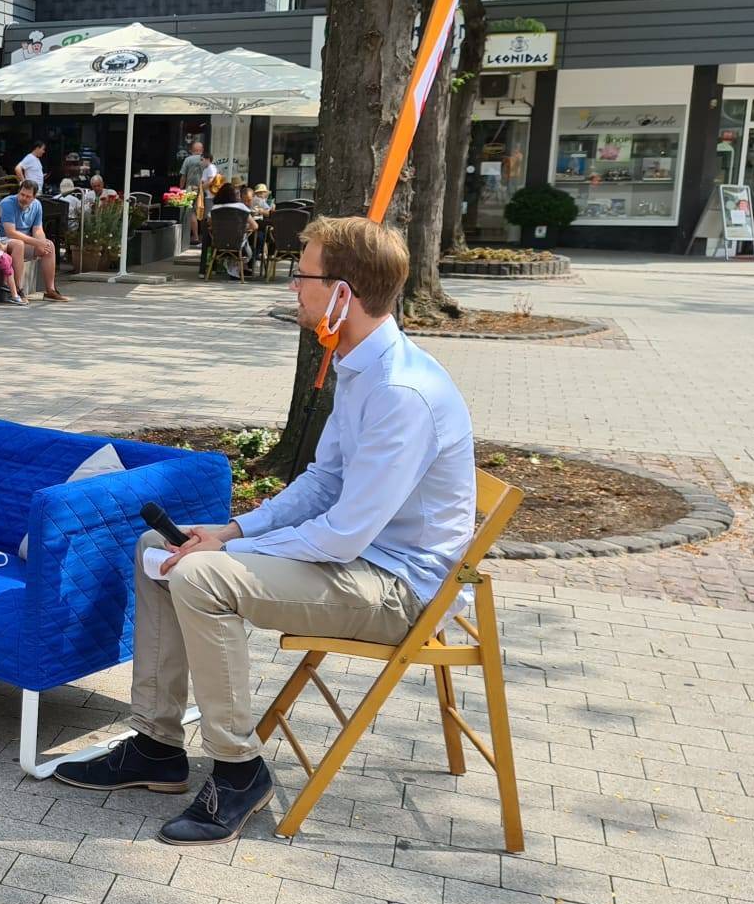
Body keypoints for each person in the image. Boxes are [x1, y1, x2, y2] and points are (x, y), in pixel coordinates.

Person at [56, 218, 475, 845]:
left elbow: (342, 535)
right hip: (360, 562)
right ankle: (157, 745)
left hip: (400, 589)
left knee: (197, 576)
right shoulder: (362, 368)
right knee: (159, 547)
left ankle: (238, 768)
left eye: (301, 274)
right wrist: (229, 530)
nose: (291, 288)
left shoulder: (400, 393)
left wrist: (230, 550)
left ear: (342, 293)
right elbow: (320, 483)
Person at [0, 180, 70, 301]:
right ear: (18, 192)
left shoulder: (37, 205)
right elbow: (10, 232)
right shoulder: (7, 203)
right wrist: (36, 242)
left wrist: (42, 242)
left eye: (28, 196)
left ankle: (50, 290)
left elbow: (38, 229)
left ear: (34, 197)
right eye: (22, 194)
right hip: (4, 241)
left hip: (24, 242)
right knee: (19, 244)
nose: (24, 198)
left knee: (50, 246)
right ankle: (18, 289)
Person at [201, 179, 255, 278]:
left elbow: (209, 223)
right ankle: (240, 268)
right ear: (234, 195)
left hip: (219, 244)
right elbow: (255, 226)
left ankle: (225, 267)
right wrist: (242, 227)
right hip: (239, 245)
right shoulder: (241, 207)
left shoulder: (215, 208)